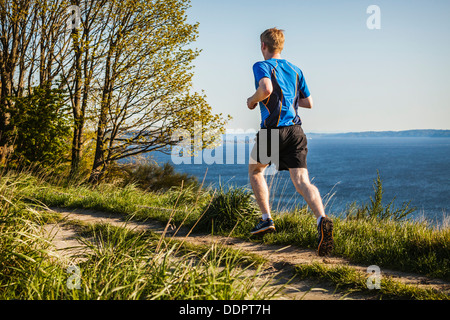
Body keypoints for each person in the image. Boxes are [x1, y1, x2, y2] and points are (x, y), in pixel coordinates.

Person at [246, 28, 334, 256]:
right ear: (281, 47)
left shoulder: (261, 65)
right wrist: (288, 99)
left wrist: (251, 100)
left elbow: (265, 88)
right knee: (302, 181)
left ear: (263, 46)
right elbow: (308, 102)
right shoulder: (296, 70)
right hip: (295, 131)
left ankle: (266, 220)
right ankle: (321, 220)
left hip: (272, 130)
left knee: (256, 170)